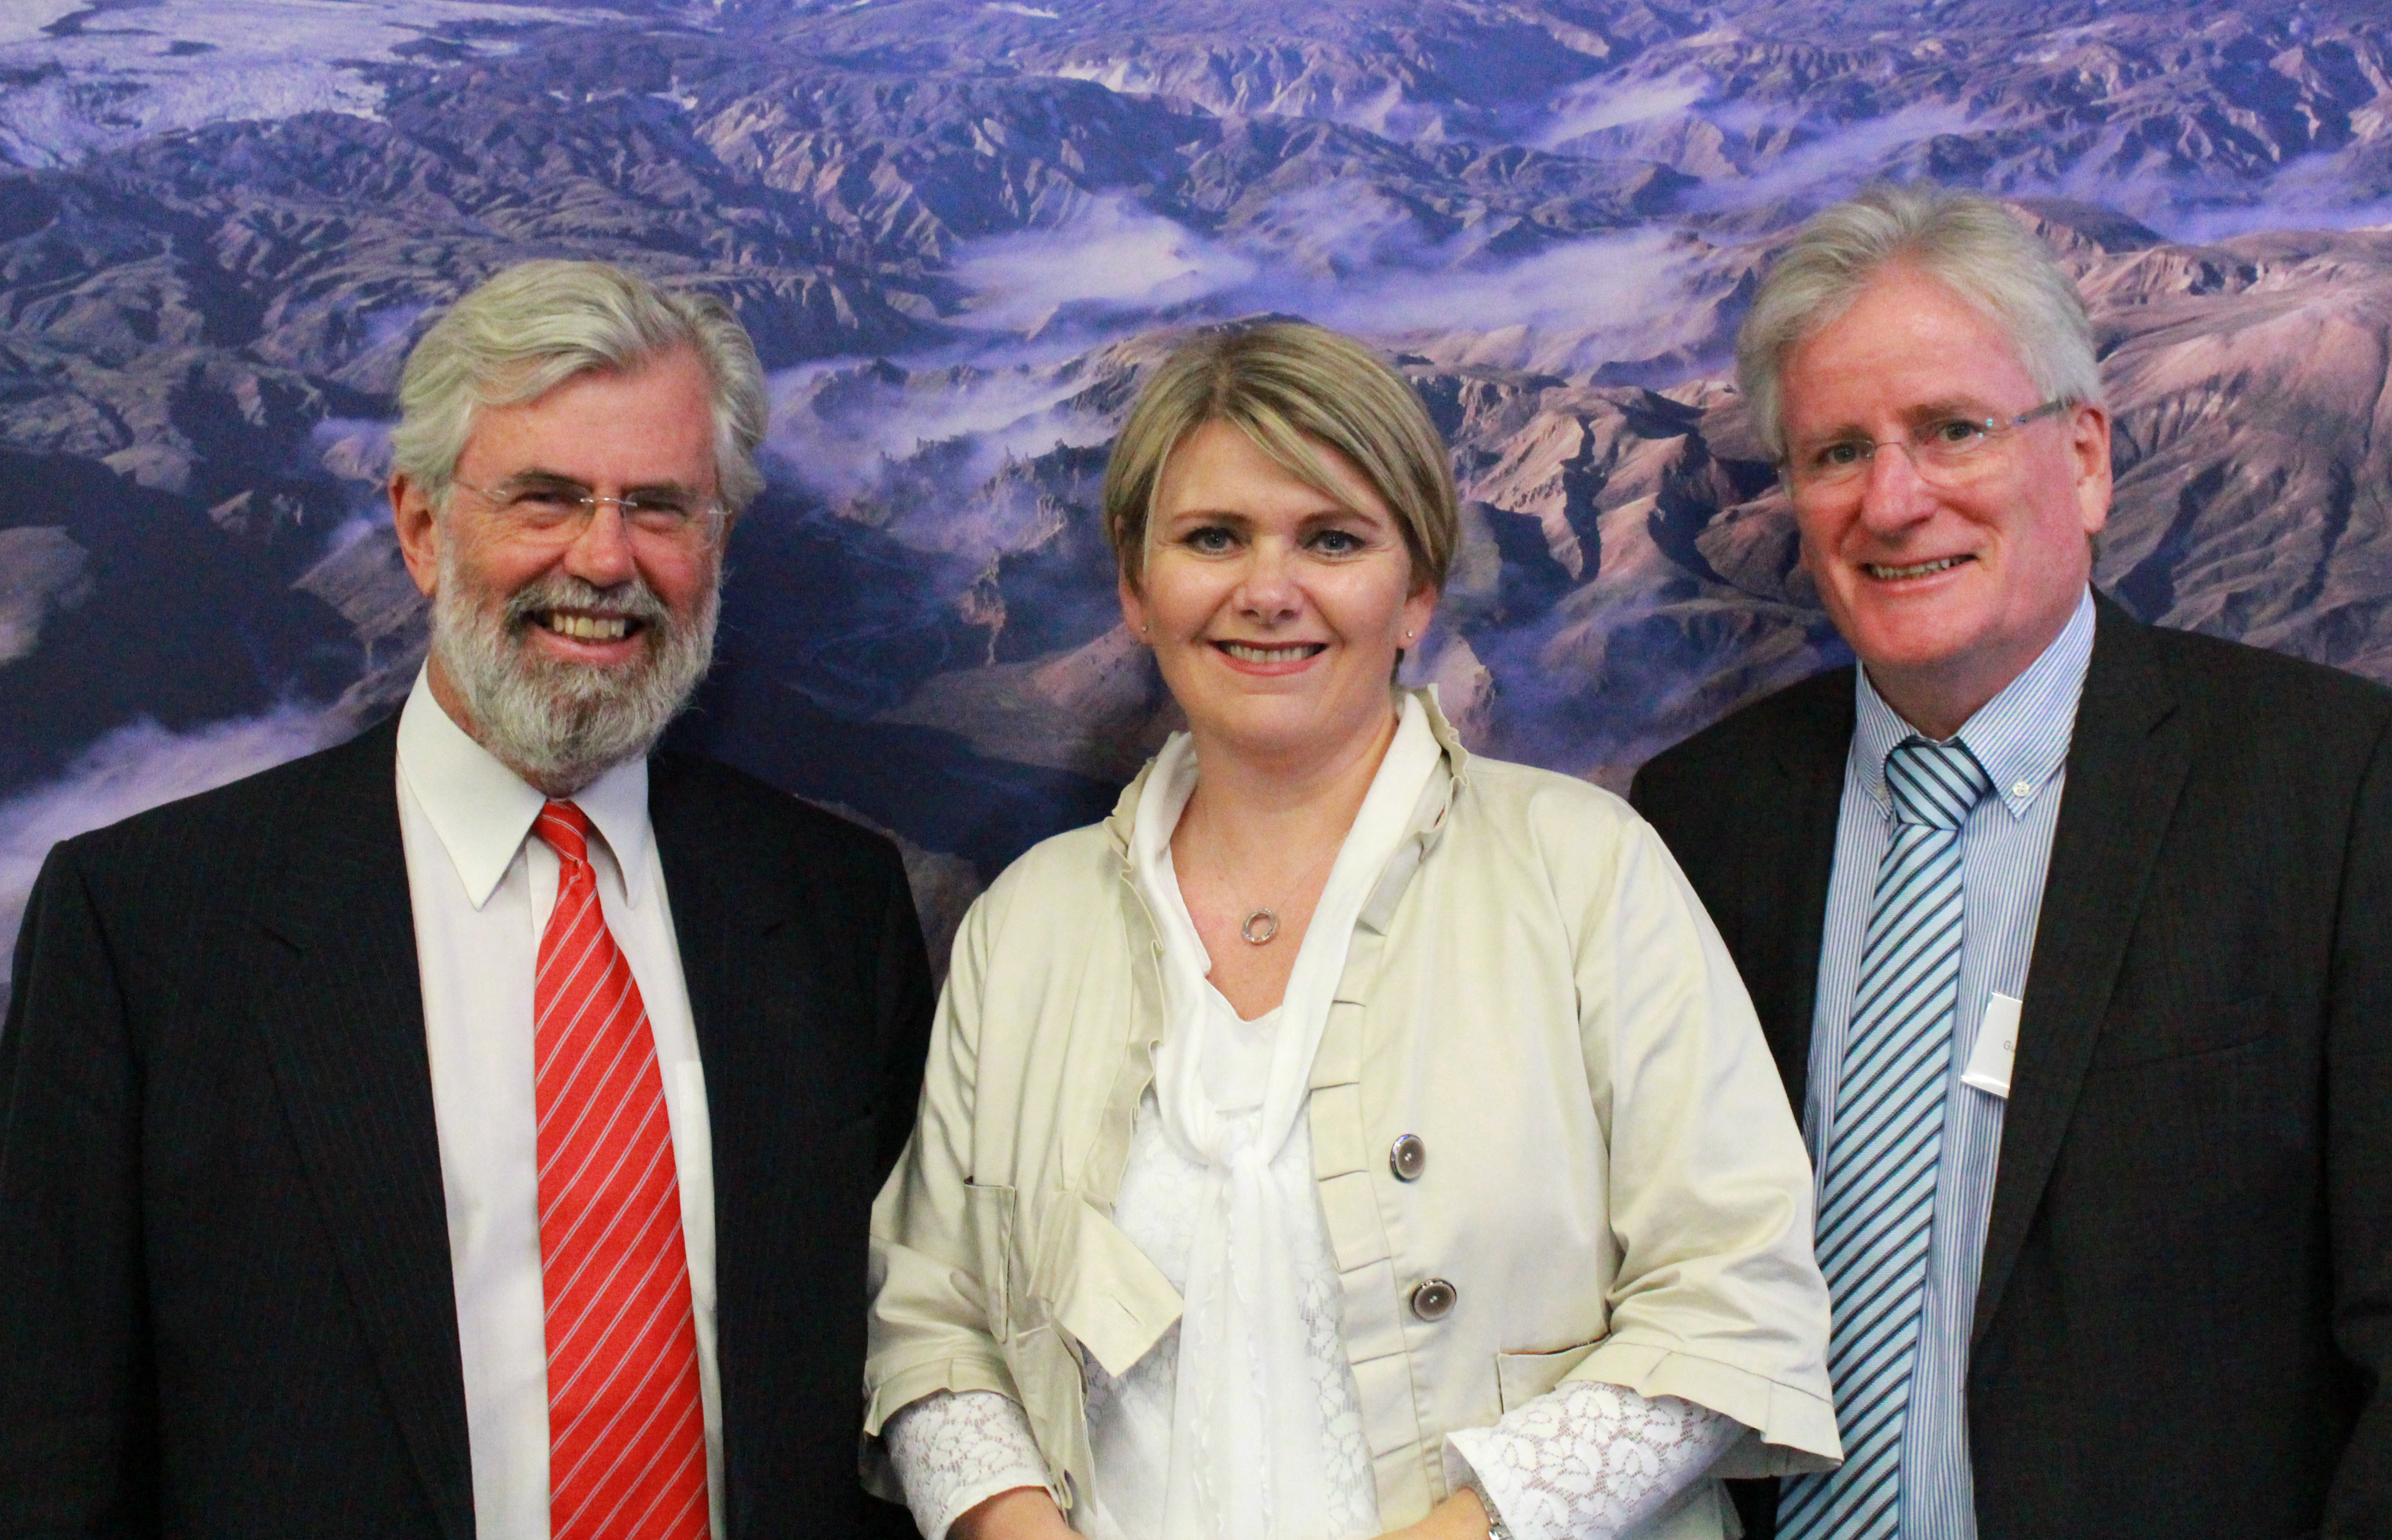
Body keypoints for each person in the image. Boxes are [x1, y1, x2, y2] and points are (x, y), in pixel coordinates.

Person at [0, 260, 935, 1538]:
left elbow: (898, 1372)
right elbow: (49, 1441)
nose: (605, 559)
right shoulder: (145, 926)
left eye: (661, 508)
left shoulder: (835, 909)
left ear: (716, 547)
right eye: (545, 499)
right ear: (423, 524)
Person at [866, 320, 1838, 1540]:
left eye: (1331, 539)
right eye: (1213, 537)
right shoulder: (1027, 929)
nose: (1267, 590)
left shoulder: (1587, 875)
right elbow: (931, 1318)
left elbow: (1733, 1297)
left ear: (1416, 588)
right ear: (1135, 583)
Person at [1630, 183, 2392, 1540]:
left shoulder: (2327, 786)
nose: (1891, 501)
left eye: (1950, 430)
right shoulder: (1696, 823)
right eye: (1834, 452)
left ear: (2081, 458)